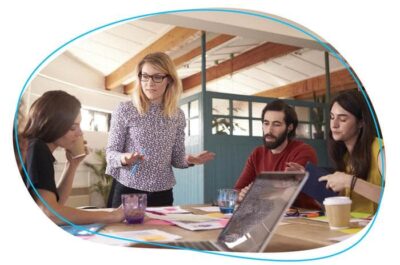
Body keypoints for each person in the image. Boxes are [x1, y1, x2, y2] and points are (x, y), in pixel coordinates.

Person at [106, 52, 215, 207]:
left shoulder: (177, 115)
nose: (150, 83)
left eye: (157, 77)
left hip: (162, 194)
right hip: (129, 188)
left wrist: (190, 160)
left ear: (169, 80)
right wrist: (125, 158)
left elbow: (177, 159)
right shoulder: (125, 109)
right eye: (145, 76)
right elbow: (110, 155)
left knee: (161, 232)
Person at [19, 90, 124, 225]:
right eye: (73, 127)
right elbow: (50, 213)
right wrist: (109, 216)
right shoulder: (37, 148)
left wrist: (72, 165)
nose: (80, 133)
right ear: (53, 125)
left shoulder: (38, 148)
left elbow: (57, 204)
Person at [289, 90, 384, 214]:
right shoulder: (345, 157)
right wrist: (308, 180)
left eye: (343, 119)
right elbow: (339, 204)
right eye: (332, 117)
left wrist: (350, 181)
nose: (334, 125)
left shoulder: (381, 151)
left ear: (361, 122)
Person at [235, 100, 318, 202]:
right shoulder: (257, 153)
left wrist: (254, 193)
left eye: (276, 124)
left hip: (303, 215)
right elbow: (237, 190)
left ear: (289, 127)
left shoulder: (303, 151)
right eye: (266, 123)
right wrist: (241, 195)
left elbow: (285, 193)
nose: (269, 130)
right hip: (267, 213)